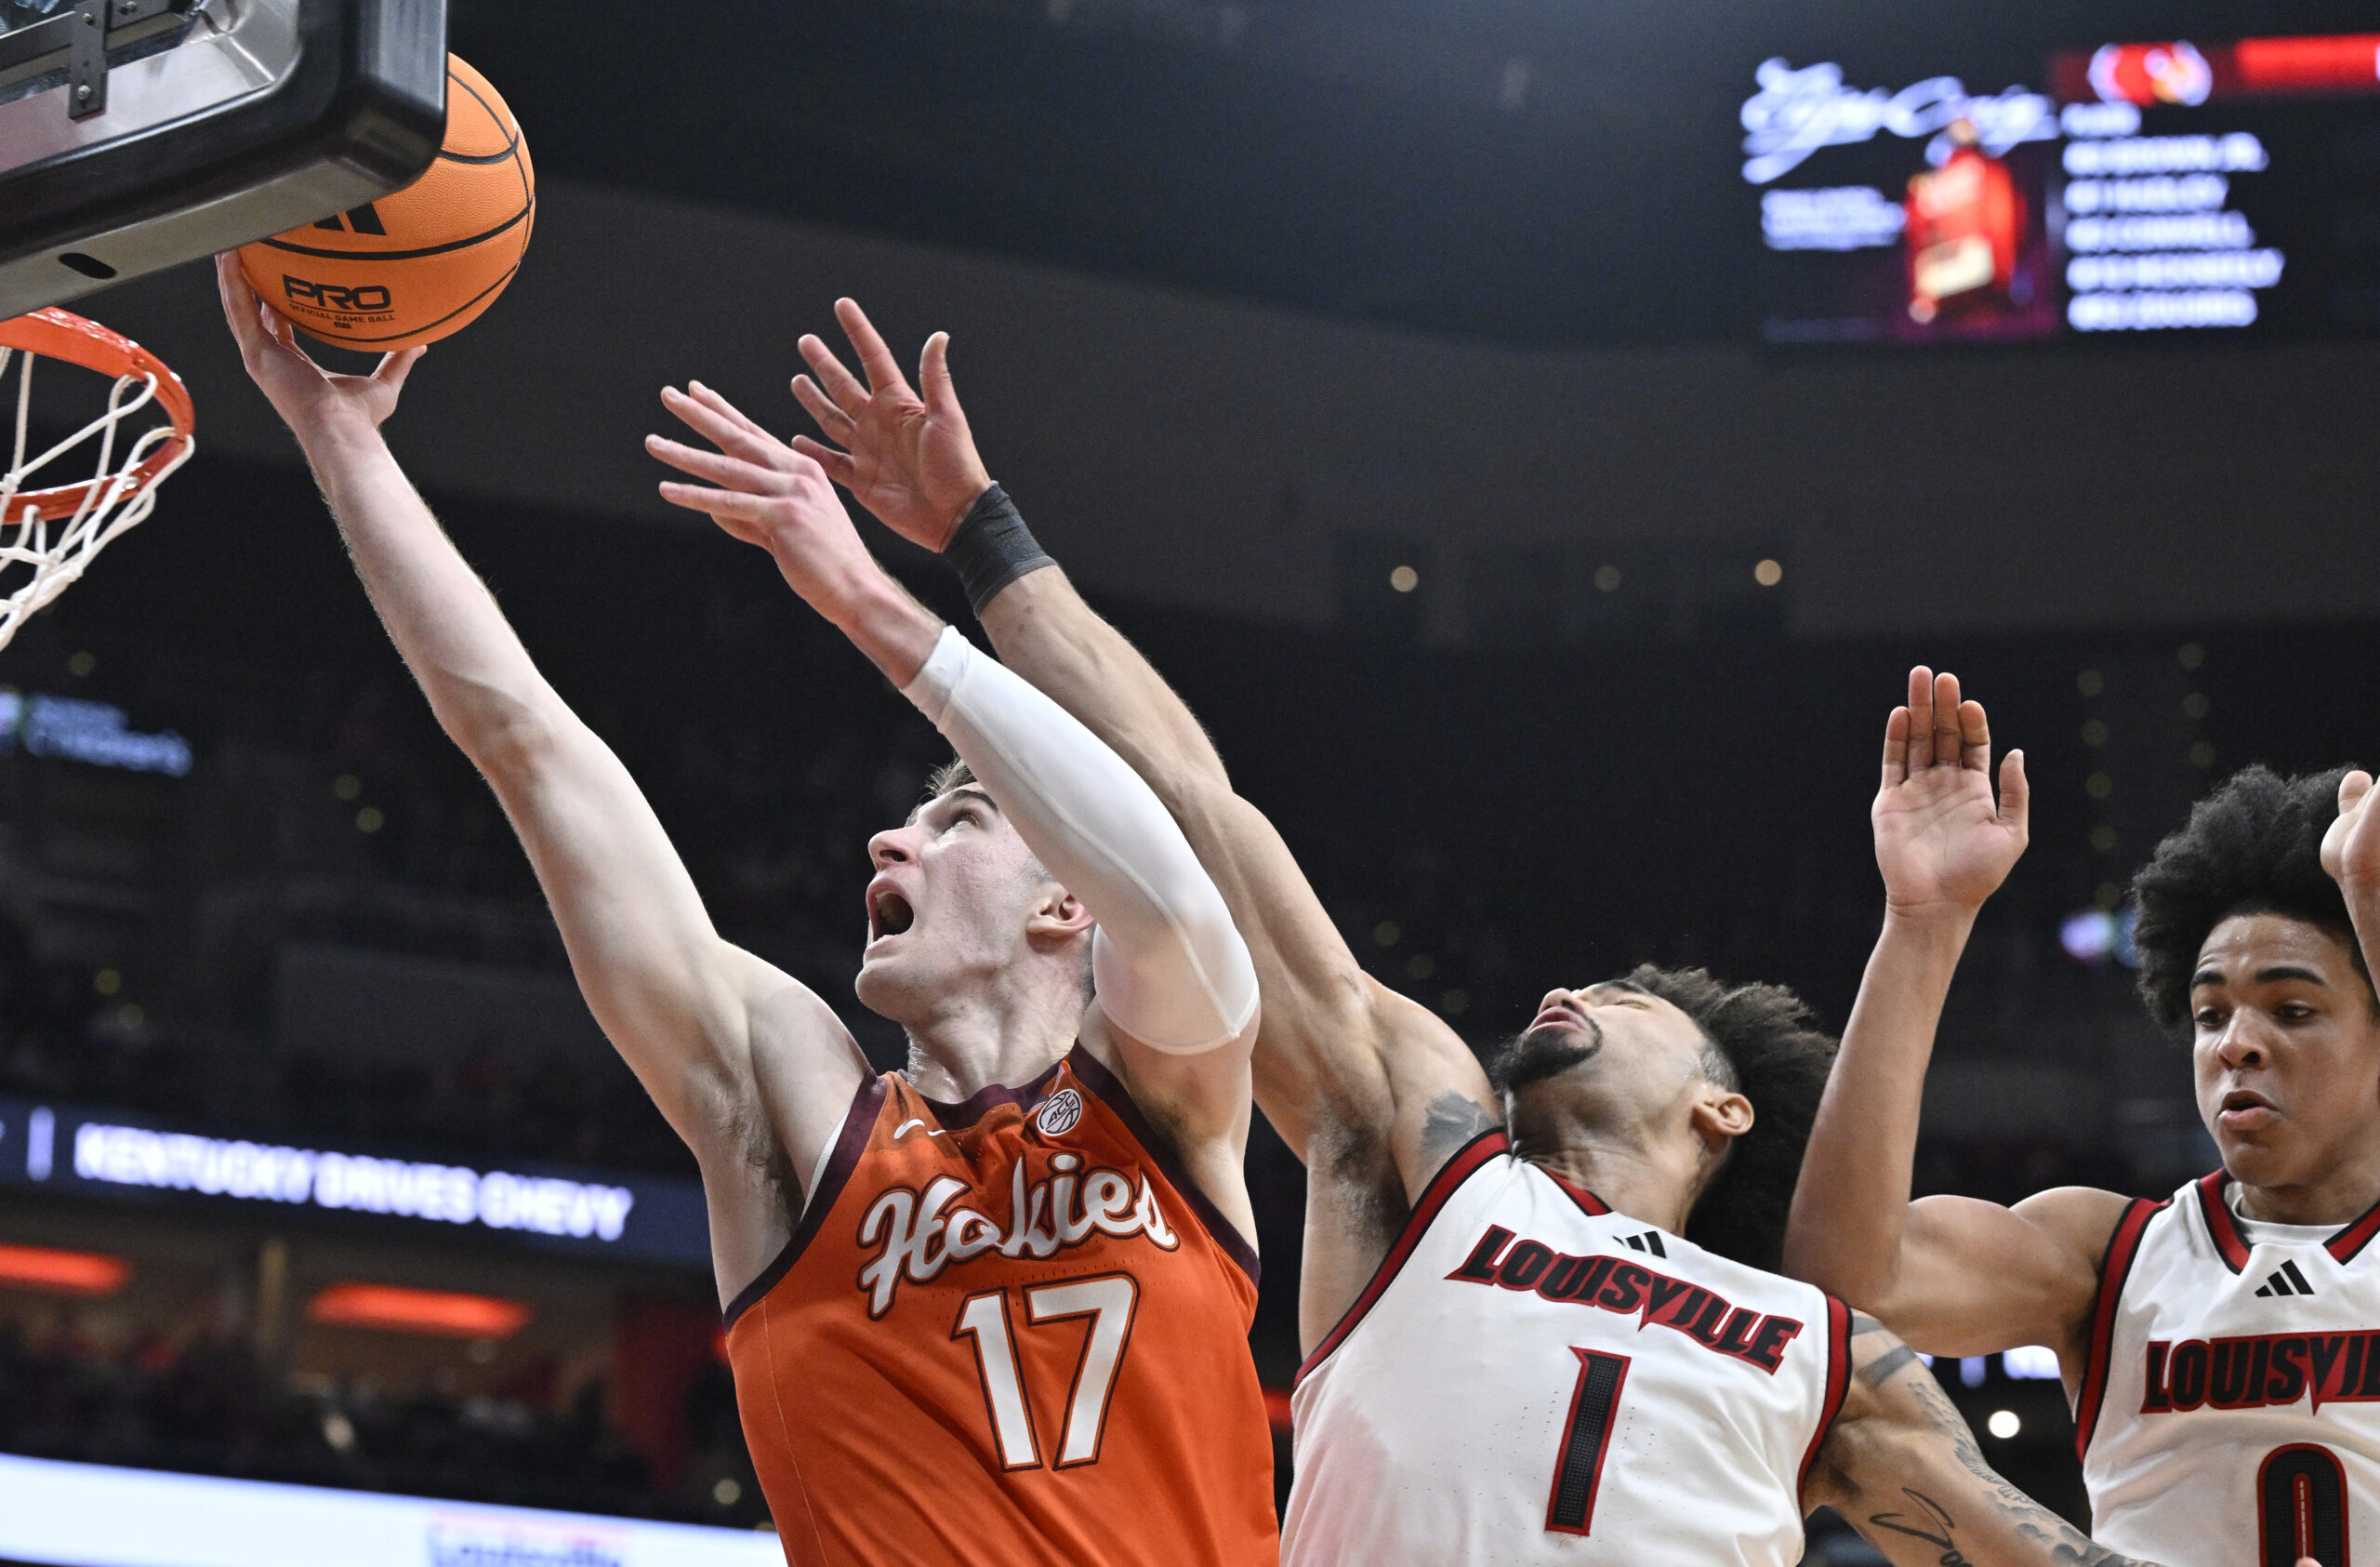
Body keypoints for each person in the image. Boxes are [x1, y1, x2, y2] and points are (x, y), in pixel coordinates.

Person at [650, 295, 2190, 1567]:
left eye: (1641, 1002)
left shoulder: (1813, 1342)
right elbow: (1195, 809)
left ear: (1723, 1106)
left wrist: (1922, 932)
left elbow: (2026, 1549)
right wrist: (981, 536)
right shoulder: (1426, 1157)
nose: (1575, 985)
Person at [216, 258, 1281, 1567]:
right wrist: (337, 439)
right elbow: (532, 749)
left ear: (1068, 899)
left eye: (956, 820)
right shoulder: (794, 1105)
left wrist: (872, 606)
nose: (889, 834)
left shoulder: (1163, 1095)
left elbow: (1175, 895)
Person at [1782, 669, 2375, 1567]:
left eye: (2291, 1009)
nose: (2236, 1045)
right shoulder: (2111, 1252)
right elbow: (1846, 1286)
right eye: (2211, 1013)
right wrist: (1924, 922)